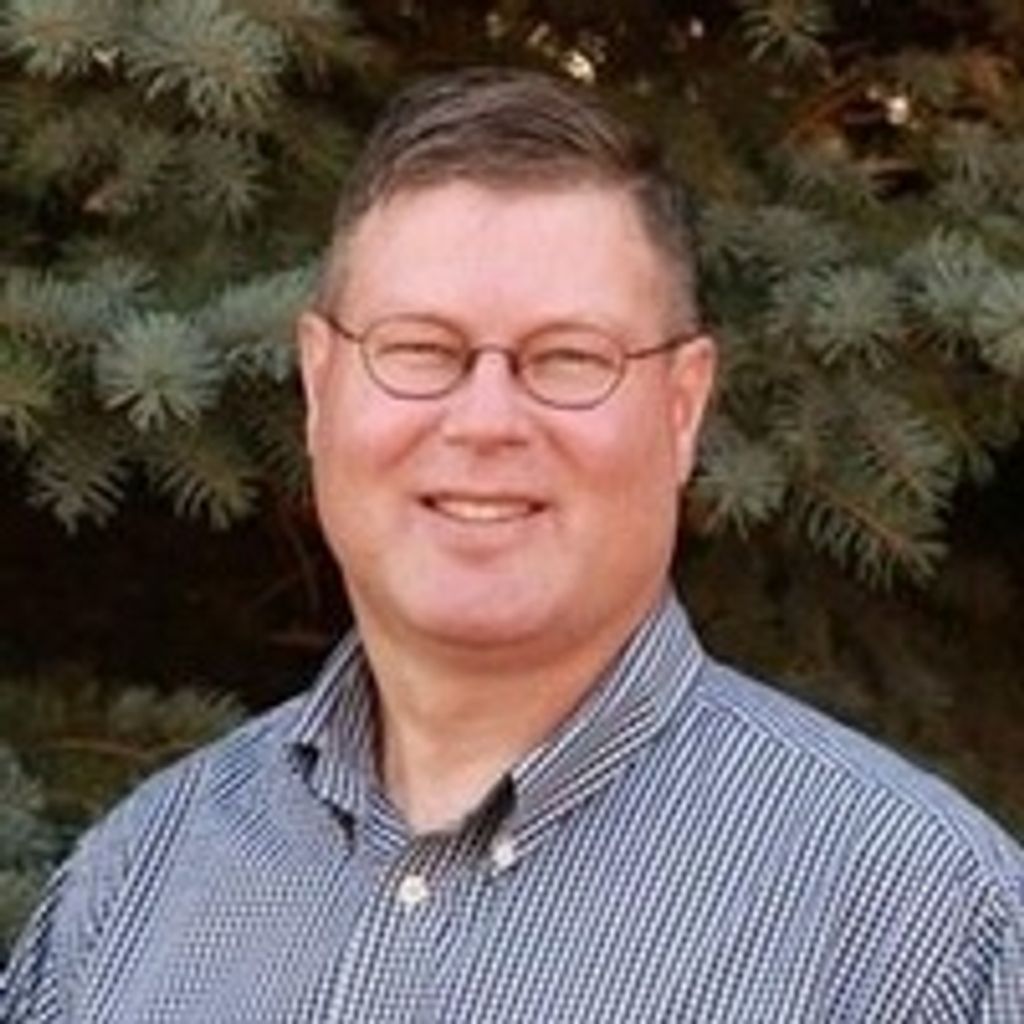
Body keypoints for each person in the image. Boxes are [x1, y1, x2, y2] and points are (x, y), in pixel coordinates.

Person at [2, 66, 1022, 1023]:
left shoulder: (920, 931)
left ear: (681, 408)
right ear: (319, 384)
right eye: (419, 350)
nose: (485, 421)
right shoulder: (134, 887)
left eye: (567, 358)